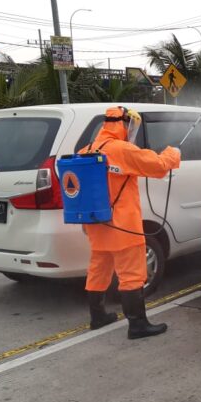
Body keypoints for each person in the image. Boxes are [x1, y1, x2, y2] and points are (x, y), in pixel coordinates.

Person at [82, 106, 181, 340]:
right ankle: (137, 325)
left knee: (98, 270)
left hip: (97, 224)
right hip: (123, 225)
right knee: (131, 275)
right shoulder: (122, 150)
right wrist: (172, 153)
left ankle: (97, 316)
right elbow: (157, 166)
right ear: (123, 124)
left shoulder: (86, 150)